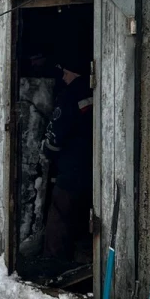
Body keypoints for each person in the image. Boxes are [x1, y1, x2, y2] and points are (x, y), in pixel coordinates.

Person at [41, 57, 94, 275]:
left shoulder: (70, 95)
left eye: (65, 72)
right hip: (92, 167)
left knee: (60, 214)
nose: (63, 77)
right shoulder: (96, 91)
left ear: (73, 73)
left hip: (72, 166)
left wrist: (47, 151)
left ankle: (53, 264)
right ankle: (83, 258)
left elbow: (56, 135)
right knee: (83, 215)